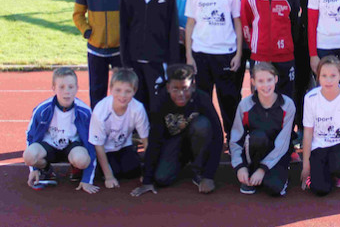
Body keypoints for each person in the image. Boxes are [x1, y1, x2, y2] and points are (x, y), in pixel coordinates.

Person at [130, 64, 223, 196]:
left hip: (197, 137)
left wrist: (209, 175)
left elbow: (218, 136)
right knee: (162, 179)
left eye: (185, 88)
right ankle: (182, 159)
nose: (181, 94)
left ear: (193, 87)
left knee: (202, 125)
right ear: (168, 88)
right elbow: (155, 139)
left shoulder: (202, 99)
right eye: (175, 89)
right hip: (175, 142)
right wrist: (147, 180)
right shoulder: (160, 101)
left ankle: (199, 170)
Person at [185, 0, 242, 142]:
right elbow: (191, 23)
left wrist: (238, 53)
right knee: (202, 100)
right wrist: (189, 55)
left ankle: (233, 139)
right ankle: (207, 138)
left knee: (229, 100)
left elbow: (237, 21)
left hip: (225, 53)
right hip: (201, 54)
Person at [73, 0, 131, 109]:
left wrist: (125, 37)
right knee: (97, 92)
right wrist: (88, 31)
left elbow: (131, 16)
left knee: (122, 90)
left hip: (118, 50)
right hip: (96, 50)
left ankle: (123, 127)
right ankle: (97, 130)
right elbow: (78, 14)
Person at [120, 0, 180, 112]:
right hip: (134, 62)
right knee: (137, 108)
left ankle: (157, 138)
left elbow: (172, 32)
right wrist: (126, 63)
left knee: (158, 107)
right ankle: (139, 138)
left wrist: (172, 65)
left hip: (158, 63)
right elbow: (124, 31)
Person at [283, 0, 328, 147]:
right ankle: (301, 128)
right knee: (300, 87)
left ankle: (325, 126)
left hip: (324, 41)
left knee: (324, 86)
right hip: (299, 43)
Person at [23, 68, 99, 194]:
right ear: (53, 88)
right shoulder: (42, 109)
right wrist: (34, 169)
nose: (67, 92)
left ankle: (76, 168)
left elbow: (91, 143)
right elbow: (30, 136)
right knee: (29, 156)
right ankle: (46, 169)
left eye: (71, 87)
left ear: (77, 88)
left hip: (72, 147)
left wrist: (87, 179)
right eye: (62, 87)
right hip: (49, 147)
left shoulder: (84, 112)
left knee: (82, 159)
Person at [240, 0, 300, 99]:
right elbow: (246, 26)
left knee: (286, 99)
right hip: (260, 56)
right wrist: (257, 46)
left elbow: (295, 26)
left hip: (285, 57)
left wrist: (287, 46)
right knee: (261, 99)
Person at [230, 62, 295, 196]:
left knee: (274, 188)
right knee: (258, 137)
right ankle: (250, 172)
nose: (266, 85)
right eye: (260, 81)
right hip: (255, 149)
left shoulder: (288, 105)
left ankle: (271, 174)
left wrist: (263, 169)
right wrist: (239, 167)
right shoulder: (245, 105)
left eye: (269, 80)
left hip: (277, 154)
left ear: (276, 79)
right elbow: (236, 139)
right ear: (253, 82)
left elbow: (283, 143)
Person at [301, 56, 340, 196]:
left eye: (333, 75)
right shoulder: (310, 98)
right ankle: (323, 172)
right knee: (320, 190)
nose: (328, 80)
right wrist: (306, 166)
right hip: (319, 148)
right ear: (318, 77)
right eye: (324, 76)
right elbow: (308, 133)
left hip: (339, 145)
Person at [89, 68, 149, 188]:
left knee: (132, 171)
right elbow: (98, 145)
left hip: (123, 145)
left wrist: (148, 174)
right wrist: (109, 177)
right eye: (118, 90)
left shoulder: (138, 108)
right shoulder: (101, 110)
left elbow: (145, 140)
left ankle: (132, 151)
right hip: (105, 149)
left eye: (128, 91)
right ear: (111, 89)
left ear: (134, 91)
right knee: (114, 172)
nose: (122, 95)